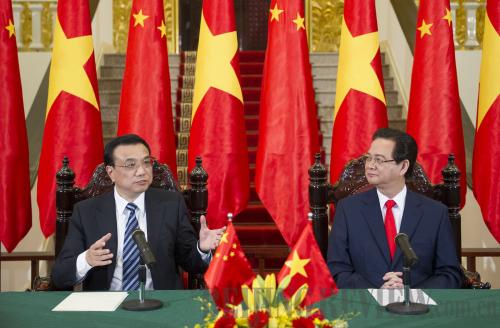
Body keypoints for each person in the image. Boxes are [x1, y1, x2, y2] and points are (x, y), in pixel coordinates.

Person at [52, 134, 225, 290]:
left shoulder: (171, 205)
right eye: (130, 165)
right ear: (111, 172)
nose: (142, 171)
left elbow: (191, 262)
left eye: (146, 162)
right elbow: (60, 275)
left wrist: (201, 249)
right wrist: (87, 260)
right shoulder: (86, 212)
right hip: (107, 309)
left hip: (161, 305)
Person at [327, 128, 462, 289]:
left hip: (419, 309)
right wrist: (377, 290)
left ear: (403, 166)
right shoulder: (348, 210)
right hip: (366, 307)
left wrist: (410, 292)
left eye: (379, 160)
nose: (370, 165)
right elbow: (336, 270)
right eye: (369, 158)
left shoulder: (435, 213)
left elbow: (450, 274)